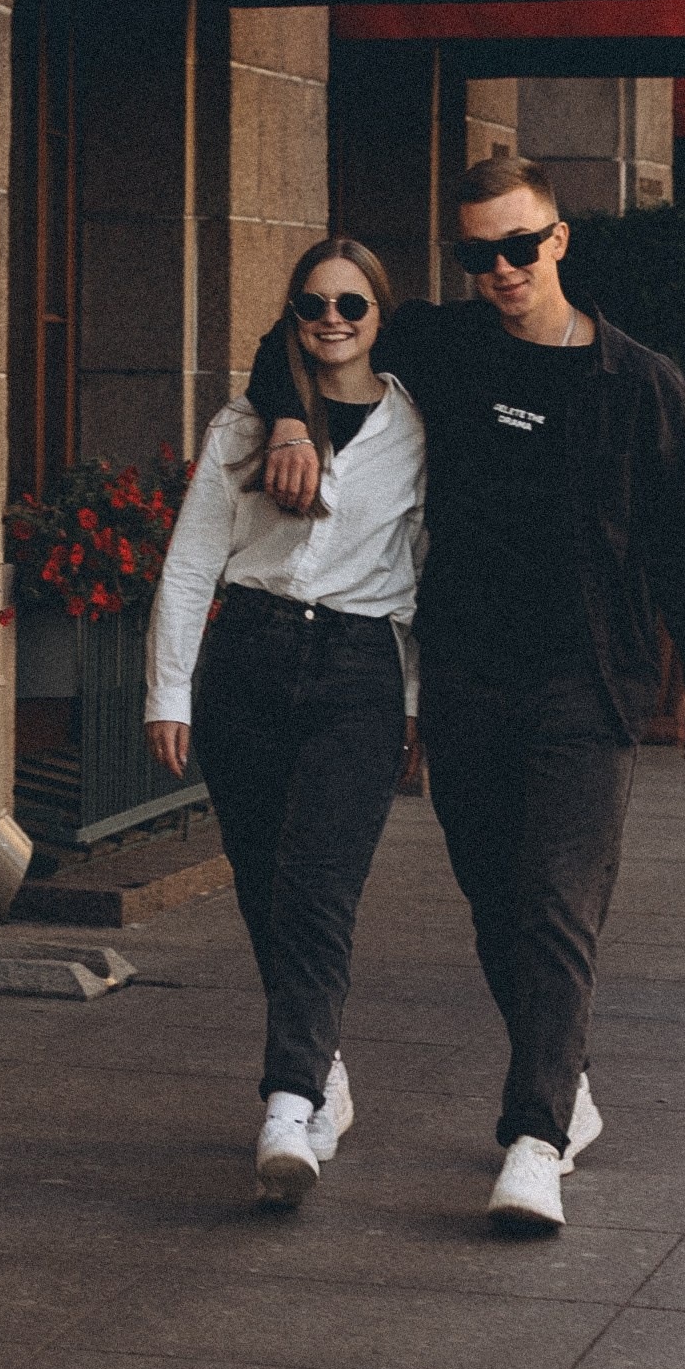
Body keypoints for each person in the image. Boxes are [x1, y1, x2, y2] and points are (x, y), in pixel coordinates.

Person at [246, 156, 685, 1237]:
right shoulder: (444, 346)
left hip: (587, 680)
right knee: (498, 904)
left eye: (519, 246)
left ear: (559, 240)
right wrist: (285, 418)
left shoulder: (642, 385)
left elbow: (682, 542)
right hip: (467, 673)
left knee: (557, 902)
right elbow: (308, 337)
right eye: (478, 253)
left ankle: (534, 1140)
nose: (501, 270)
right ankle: (569, 1084)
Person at [145, 237, 427, 1209]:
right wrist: (169, 690)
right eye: (313, 302)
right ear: (293, 314)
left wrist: (416, 704)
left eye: (352, 302)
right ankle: (323, 1068)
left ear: (380, 314)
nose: (332, 318)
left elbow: (420, 569)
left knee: (317, 887)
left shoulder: (413, 427)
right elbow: (192, 559)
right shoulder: (246, 421)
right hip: (248, 660)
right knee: (266, 884)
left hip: (359, 669)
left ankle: (287, 1100)